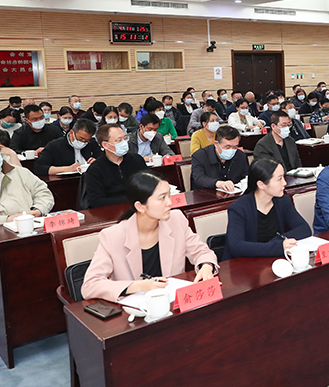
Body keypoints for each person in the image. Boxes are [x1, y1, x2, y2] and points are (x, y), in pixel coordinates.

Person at [81, 170, 218, 302]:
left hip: (173, 302)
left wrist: (206, 266)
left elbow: (202, 252)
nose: (169, 203)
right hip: (136, 310)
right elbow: (90, 285)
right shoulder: (112, 236)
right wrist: (139, 286)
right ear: (140, 206)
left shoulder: (176, 220)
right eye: (162, 198)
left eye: (169, 195)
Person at [223, 158, 311, 260]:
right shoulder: (239, 208)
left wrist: (279, 240)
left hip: (273, 260)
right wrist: (278, 246)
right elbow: (236, 247)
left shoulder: (283, 201)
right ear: (261, 185)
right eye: (279, 179)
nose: (285, 183)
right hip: (245, 264)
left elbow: (304, 229)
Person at [0, 134, 54, 235]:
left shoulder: (19, 172)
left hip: (32, 230)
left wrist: (37, 210)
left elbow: (43, 193)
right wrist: (7, 220)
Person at [83, 124, 147, 208]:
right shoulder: (95, 169)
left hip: (139, 208)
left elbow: (148, 186)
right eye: (119, 140)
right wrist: (129, 200)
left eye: (125, 138)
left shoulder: (137, 160)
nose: (124, 143)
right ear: (105, 145)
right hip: (111, 210)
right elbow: (96, 201)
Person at [191, 125, 249, 191]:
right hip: (206, 194)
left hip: (234, 194)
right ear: (216, 144)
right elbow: (198, 179)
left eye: (235, 147)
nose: (231, 150)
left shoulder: (241, 155)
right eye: (228, 147)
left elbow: (246, 176)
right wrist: (218, 183)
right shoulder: (200, 156)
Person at [34, 119, 101, 176]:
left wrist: (97, 162)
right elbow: (39, 168)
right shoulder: (55, 145)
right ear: (71, 133)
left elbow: (102, 158)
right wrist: (68, 169)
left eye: (87, 140)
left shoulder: (91, 143)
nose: (83, 142)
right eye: (81, 139)